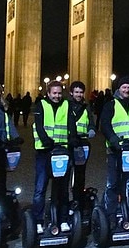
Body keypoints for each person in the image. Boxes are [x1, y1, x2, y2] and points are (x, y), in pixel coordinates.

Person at [100, 75, 129, 216]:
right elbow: (105, 124)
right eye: (124, 87)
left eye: (128, 88)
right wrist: (112, 138)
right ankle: (112, 214)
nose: (127, 90)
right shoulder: (110, 105)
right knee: (113, 183)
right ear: (119, 89)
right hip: (115, 150)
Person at [32, 81, 75, 233]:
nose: (57, 96)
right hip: (44, 151)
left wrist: (73, 138)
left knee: (62, 188)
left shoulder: (67, 105)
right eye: (54, 93)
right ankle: (38, 220)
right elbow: (38, 125)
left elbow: (71, 124)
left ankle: (62, 218)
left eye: (59, 93)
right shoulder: (41, 105)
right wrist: (45, 139)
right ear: (48, 93)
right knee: (40, 187)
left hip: (62, 150)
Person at [68, 80, 96, 210]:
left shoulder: (86, 106)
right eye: (76, 92)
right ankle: (64, 200)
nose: (79, 94)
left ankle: (78, 198)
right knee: (65, 172)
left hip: (83, 142)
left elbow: (90, 120)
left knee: (80, 173)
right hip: (68, 142)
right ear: (71, 93)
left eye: (81, 92)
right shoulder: (66, 105)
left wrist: (92, 129)